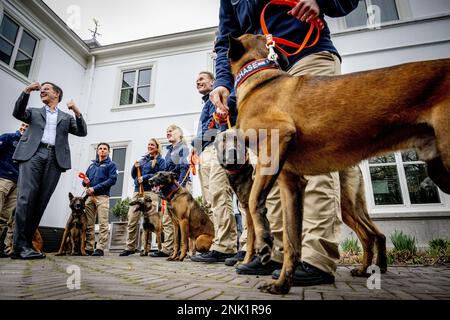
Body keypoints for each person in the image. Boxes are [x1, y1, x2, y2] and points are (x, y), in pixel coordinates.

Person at [210, 0, 359, 285]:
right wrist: (222, 81)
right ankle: (276, 255)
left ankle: (317, 257)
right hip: (267, 73)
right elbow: (224, 40)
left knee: (315, 154)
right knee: (273, 164)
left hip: (308, 54)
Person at [11, 81, 87, 259]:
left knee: (41, 201)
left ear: (57, 94)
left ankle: (26, 245)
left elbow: (82, 132)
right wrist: (27, 91)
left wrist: (76, 111)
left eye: (46, 89)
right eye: (41, 89)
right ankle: (18, 246)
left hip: (54, 158)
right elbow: (18, 112)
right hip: (33, 154)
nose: (42, 91)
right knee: (25, 198)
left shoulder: (66, 118)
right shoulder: (34, 112)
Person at [189, 72, 238, 263]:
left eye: (202, 78)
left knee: (220, 195)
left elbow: (214, 127)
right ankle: (220, 241)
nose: (198, 81)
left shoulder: (220, 97)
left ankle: (226, 245)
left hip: (218, 146)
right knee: (211, 200)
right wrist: (196, 149)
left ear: (213, 81)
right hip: (204, 153)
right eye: (197, 80)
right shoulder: (206, 103)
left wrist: (195, 142)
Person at [119, 138, 165, 256]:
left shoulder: (160, 160)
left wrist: (144, 178)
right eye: (149, 144)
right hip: (138, 192)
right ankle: (130, 247)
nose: (150, 146)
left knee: (149, 222)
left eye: (152, 145)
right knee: (132, 218)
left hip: (151, 193)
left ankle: (146, 249)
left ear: (157, 147)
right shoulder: (143, 159)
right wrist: (135, 167)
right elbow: (134, 175)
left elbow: (160, 174)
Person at [151, 125, 191, 258]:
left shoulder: (183, 148)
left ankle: (187, 250)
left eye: (171, 131)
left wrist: (181, 186)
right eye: (166, 131)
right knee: (169, 219)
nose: (168, 133)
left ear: (179, 133)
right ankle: (169, 248)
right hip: (168, 189)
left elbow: (185, 167)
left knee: (183, 219)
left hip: (180, 186)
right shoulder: (168, 151)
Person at [82, 143, 118, 256]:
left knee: (103, 223)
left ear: (108, 152)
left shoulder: (111, 165)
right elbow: (85, 181)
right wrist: (85, 182)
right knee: (89, 223)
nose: (102, 151)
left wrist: (95, 188)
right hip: (90, 198)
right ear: (97, 151)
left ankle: (100, 247)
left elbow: (112, 180)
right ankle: (88, 246)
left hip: (102, 197)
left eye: (105, 149)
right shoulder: (91, 166)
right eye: (100, 149)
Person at [0, 123, 28, 258]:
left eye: (28, 126)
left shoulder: (29, 146)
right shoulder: (8, 138)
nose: (24, 127)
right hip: (3, 179)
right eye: (23, 124)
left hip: (18, 184)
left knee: (5, 217)